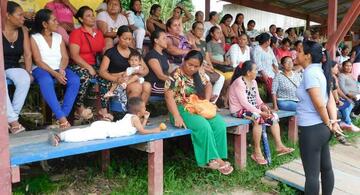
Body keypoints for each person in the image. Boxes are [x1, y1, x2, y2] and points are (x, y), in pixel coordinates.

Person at [164, 50, 234, 175]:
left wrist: (206, 101)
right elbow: (169, 97)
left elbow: (208, 85)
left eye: (196, 66)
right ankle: (210, 159)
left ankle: (219, 156)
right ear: (184, 61)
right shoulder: (175, 75)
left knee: (219, 123)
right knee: (203, 125)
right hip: (180, 108)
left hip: (197, 105)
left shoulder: (199, 74)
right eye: (189, 64)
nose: (192, 68)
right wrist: (176, 116)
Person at [296, 41, 341, 195]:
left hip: (311, 130)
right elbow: (329, 100)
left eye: (300, 51)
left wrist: (329, 122)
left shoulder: (310, 73)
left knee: (312, 176)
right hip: (321, 129)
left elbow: (320, 104)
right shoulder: (320, 72)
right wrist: (332, 122)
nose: (297, 54)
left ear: (308, 56)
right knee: (326, 168)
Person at [229, 60, 294, 165]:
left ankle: (279, 146)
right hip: (238, 110)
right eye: (255, 70)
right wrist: (260, 112)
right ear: (248, 72)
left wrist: (264, 108)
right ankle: (257, 152)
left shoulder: (254, 82)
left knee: (273, 116)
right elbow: (244, 103)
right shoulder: (239, 82)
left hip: (252, 109)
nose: (257, 72)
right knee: (257, 118)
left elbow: (258, 100)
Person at [30, 9, 80, 129]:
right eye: (54, 20)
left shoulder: (58, 37)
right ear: (45, 24)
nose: (57, 22)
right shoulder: (34, 38)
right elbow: (37, 60)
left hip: (59, 67)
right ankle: (63, 119)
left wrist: (61, 70)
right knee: (46, 81)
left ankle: (62, 116)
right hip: (41, 68)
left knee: (74, 80)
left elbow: (65, 57)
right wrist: (55, 74)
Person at [49, 97, 163, 146]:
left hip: (106, 127)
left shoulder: (131, 116)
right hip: (106, 130)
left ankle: (60, 136)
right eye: (144, 108)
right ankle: (60, 137)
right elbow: (142, 131)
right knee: (84, 136)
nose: (145, 109)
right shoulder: (135, 119)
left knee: (84, 132)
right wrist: (155, 130)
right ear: (139, 112)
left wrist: (146, 118)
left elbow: (139, 129)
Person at [69, 6, 111, 121]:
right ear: (81, 19)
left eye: (93, 15)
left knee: (106, 78)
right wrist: (88, 67)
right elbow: (74, 55)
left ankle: (103, 110)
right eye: (88, 16)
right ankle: (79, 108)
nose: (92, 18)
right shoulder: (76, 33)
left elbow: (103, 53)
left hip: (94, 65)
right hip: (78, 65)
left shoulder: (98, 33)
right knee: (84, 76)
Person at [99, 25, 151, 112]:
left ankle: (141, 112)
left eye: (130, 39)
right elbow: (102, 71)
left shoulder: (134, 52)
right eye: (125, 38)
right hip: (120, 81)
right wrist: (117, 79)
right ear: (118, 37)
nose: (127, 41)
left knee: (147, 86)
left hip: (133, 78)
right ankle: (132, 115)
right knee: (136, 87)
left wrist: (137, 72)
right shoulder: (110, 52)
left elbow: (146, 70)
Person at [4, 1, 31, 134]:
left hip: (12, 66)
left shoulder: (23, 30)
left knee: (24, 78)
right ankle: (14, 122)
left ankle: (10, 119)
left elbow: (27, 54)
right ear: (8, 15)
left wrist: (29, 71)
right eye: (19, 15)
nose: (23, 18)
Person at [189, 22, 224, 103]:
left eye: (202, 29)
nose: (201, 31)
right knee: (207, 79)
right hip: (197, 67)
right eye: (198, 29)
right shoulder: (190, 42)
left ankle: (212, 103)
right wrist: (205, 67)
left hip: (206, 66)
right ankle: (205, 101)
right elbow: (194, 58)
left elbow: (207, 57)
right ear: (193, 31)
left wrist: (211, 67)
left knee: (221, 78)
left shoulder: (203, 43)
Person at [331, 61, 359, 133]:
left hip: (353, 95)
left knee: (348, 103)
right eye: (347, 66)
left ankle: (349, 120)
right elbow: (341, 89)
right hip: (339, 98)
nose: (349, 67)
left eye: (350, 66)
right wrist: (348, 97)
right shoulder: (340, 76)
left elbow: (338, 90)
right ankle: (348, 122)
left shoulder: (351, 75)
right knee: (347, 104)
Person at [145, 30, 170, 97]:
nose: (166, 40)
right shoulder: (152, 55)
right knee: (176, 90)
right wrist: (176, 82)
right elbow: (160, 76)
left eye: (166, 38)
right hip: (155, 86)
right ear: (156, 40)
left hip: (164, 83)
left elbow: (168, 72)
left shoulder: (164, 55)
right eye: (164, 38)